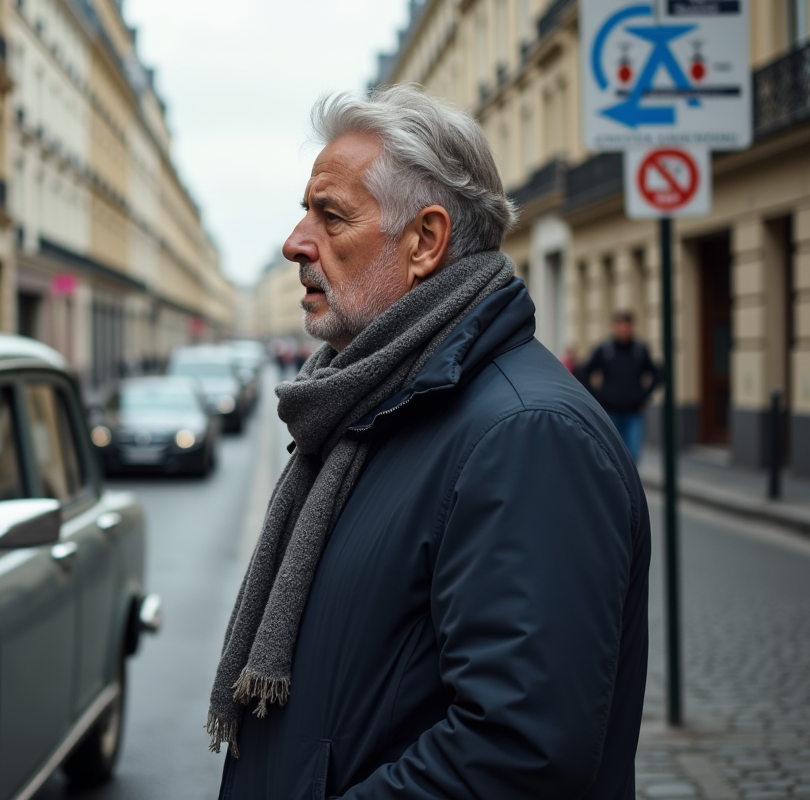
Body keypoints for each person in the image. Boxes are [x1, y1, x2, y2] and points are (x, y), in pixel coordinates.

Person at [207, 86, 650, 800]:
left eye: (330, 215)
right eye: (303, 212)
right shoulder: (370, 406)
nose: (296, 242)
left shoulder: (527, 436)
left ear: (425, 242)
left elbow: (518, 753)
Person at [578, 311, 661, 465]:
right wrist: (599, 396)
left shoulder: (640, 350)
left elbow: (656, 374)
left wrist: (644, 396)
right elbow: (584, 373)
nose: (623, 329)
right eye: (620, 326)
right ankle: (616, 487)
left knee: (633, 455)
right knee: (611, 454)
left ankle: (629, 488)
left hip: (634, 412)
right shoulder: (605, 350)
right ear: (614, 327)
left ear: (632, 327)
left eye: (626, 326)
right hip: (610, 412)